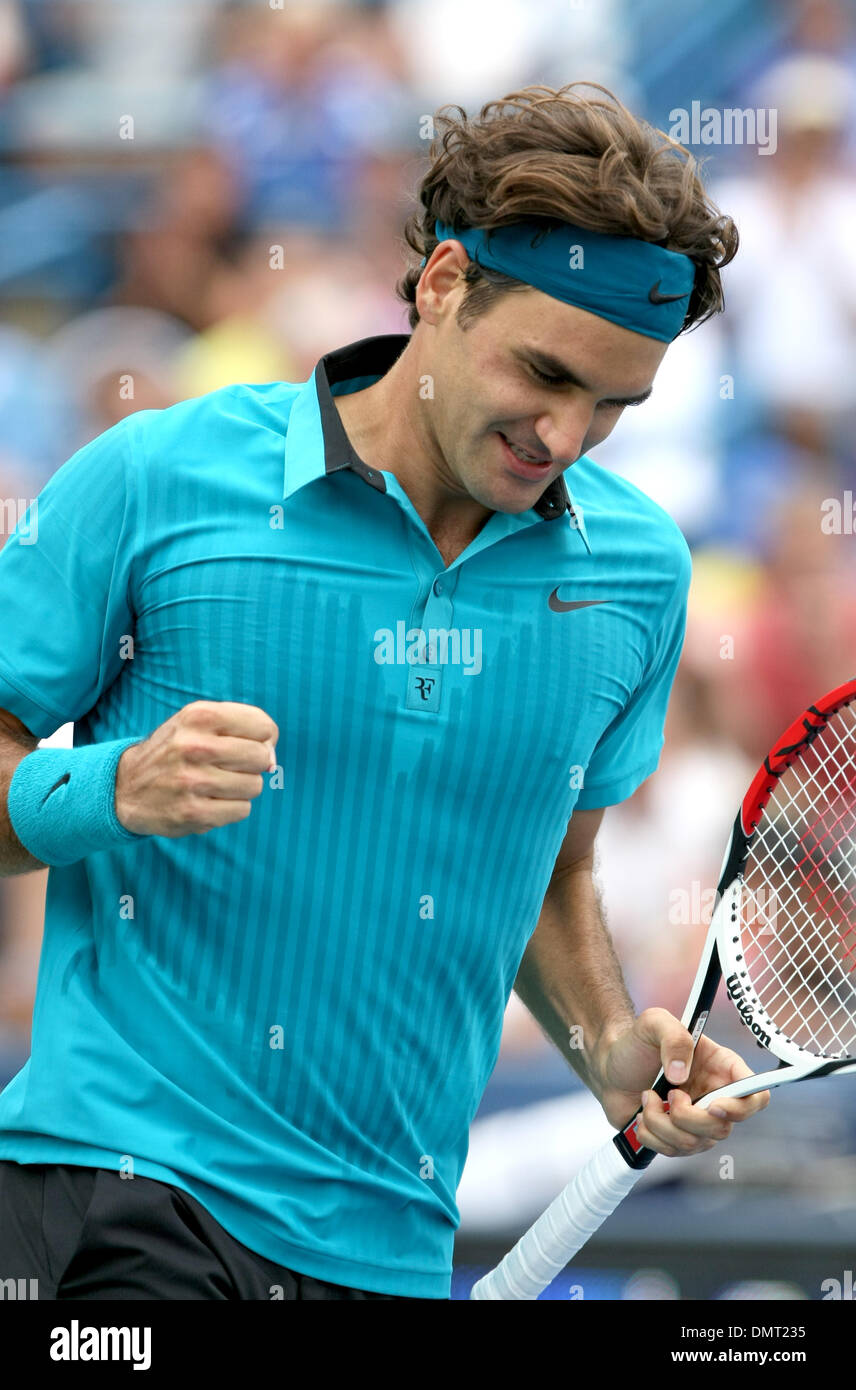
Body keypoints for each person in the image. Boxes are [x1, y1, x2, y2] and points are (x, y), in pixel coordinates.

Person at [0, 82, 768, 1302]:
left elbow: (546, 873)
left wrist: (609, 1046)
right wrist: (106, 788)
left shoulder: (639, 574)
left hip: (393, 1244)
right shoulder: (155, 476)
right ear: (443, 283)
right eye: (544, 374)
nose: (565, 434)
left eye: (614, 406)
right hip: (125, 1190)